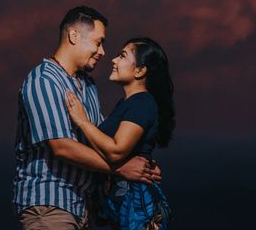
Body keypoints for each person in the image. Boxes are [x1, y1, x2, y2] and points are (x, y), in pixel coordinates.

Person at [13, 6, 161, 230]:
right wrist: (121, 169)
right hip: (51, 205)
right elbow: (62, 147)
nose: (102, 51)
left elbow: (100, 139)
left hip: (84, 209)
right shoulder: (44, 81)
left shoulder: (88, 85)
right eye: (97, 42)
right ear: (74, 36)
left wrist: (144, 167)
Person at [66, 37, 175, 230]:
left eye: (122, 56)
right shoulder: (127, 104)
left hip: (135, 210)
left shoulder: (142, 103)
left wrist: (82, 121)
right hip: (121, 209)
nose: (114, 60)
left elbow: (117, 150)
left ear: (140, 71)